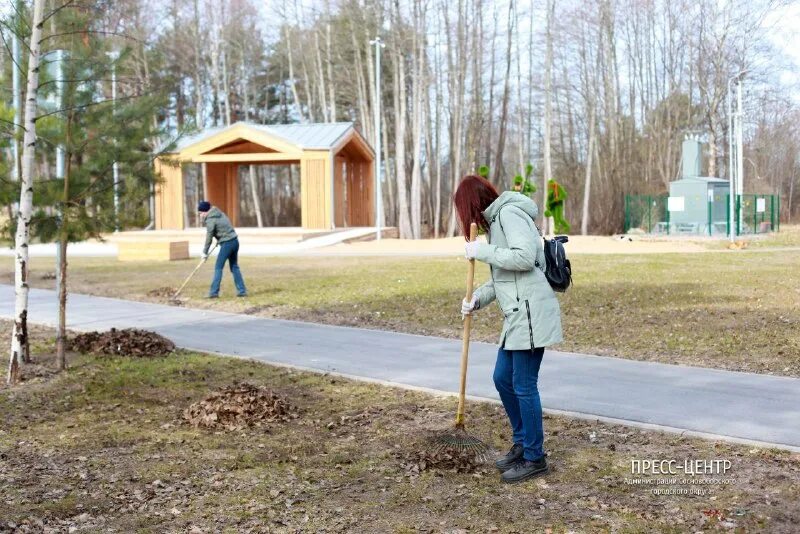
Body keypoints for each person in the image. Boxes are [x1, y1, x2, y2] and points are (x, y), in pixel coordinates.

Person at [454, 174, 563, 484]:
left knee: (524, 384)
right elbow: (503, 276)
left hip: (530, 313)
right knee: (502, 378)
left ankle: (535, 457)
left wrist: (481, 252)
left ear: (472, 205)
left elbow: (524, 258)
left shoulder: (509, 214)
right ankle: (522, 443)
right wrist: (477, 299)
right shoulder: (496, 223)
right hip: (516, 315)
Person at [198, 201, 247, 298]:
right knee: (234, 267)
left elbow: (209, 237)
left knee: (218, 267)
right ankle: (242, 291)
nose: (200, 216)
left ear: (205, 212)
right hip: (235, 241)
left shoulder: (210, 220)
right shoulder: (220, 214)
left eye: (200, 213)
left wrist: (204, 253)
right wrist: (220, 239)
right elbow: (225, 228)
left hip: (227, 244)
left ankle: (213, 292)